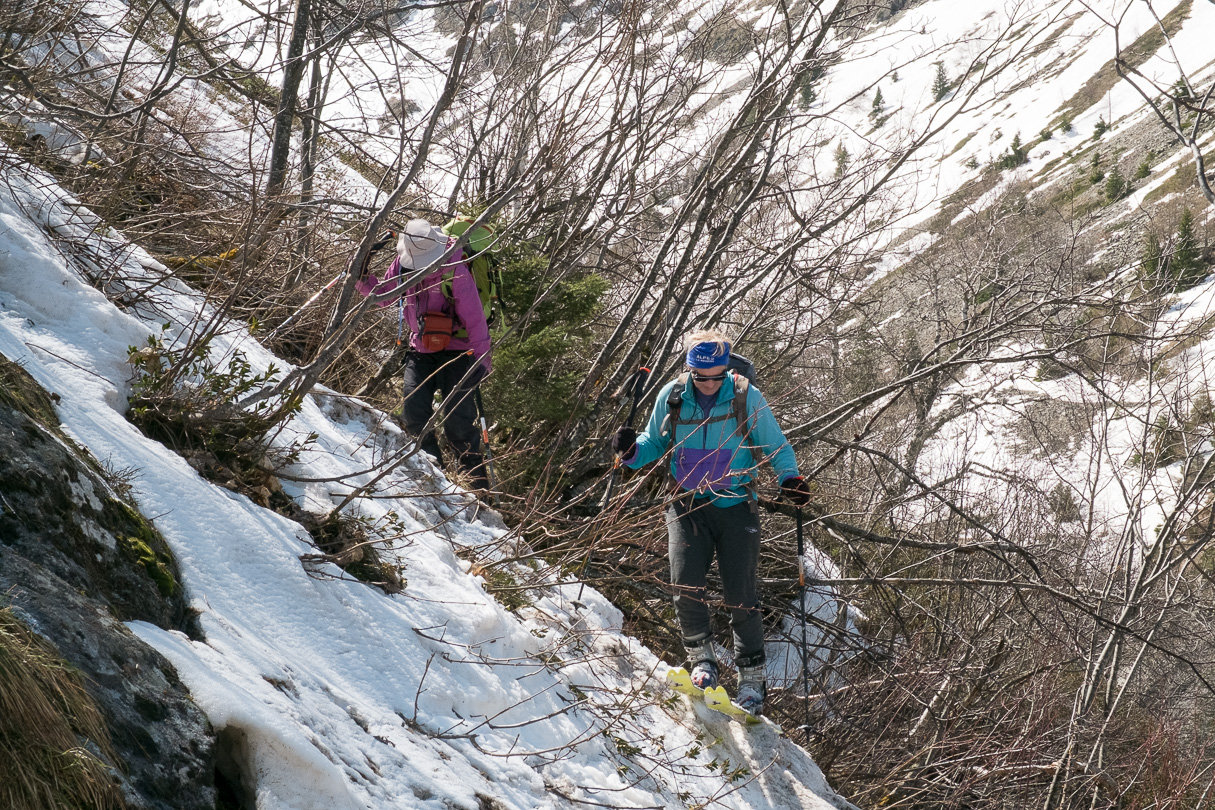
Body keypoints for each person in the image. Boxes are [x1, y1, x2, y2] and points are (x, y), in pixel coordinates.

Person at [610, 330, 810, 715]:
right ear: (689, 371)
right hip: (685, 503)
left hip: (736, 504)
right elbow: (655, 442)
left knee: (741, 594)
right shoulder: (672, 396)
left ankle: (751, 679)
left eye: (715, 376)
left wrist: (790, 479)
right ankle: (702, 661)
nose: (708, 384)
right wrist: (631, 452)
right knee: (684, 582)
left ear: (726, 369)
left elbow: (775, 444)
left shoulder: (744, 395)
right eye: (700, 377)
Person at [358, 219, 492, 490]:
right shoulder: (405, 263)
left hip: (459, 353)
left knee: (459, 426)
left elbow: (475, 318)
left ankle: (478, 492)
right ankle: (438, 481)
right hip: (421, 349)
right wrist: (361, 277)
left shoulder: (455, 269)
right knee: (414, 416)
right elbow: (385, 295)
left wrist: (481, 360)